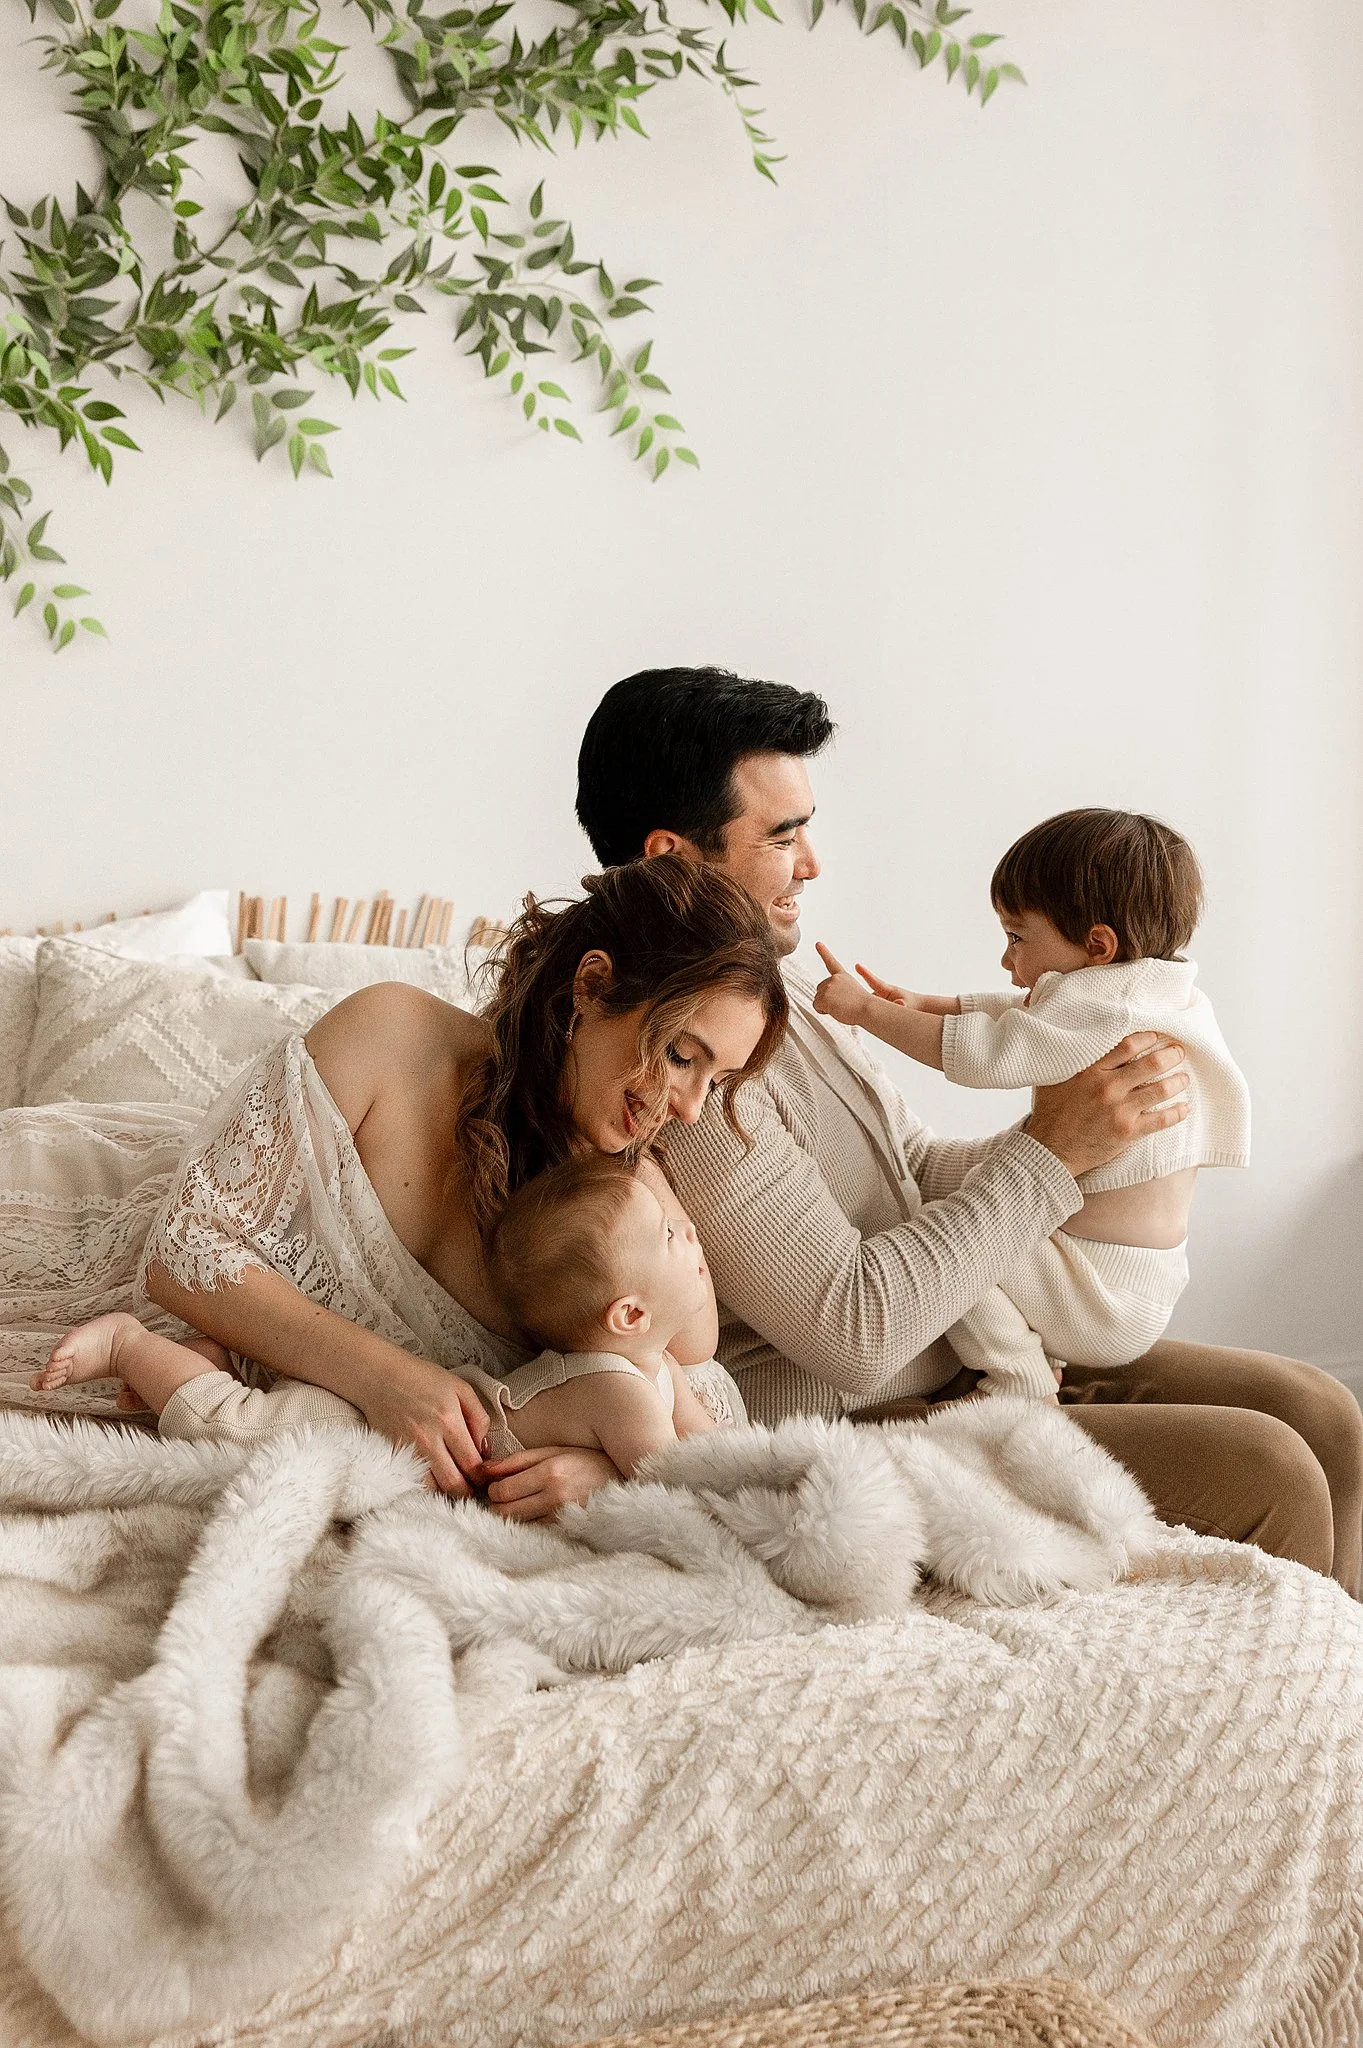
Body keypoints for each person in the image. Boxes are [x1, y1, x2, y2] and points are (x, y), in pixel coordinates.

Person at [575, 666, 1363, 1593]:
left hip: (969, 1344)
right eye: (783, 835)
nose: (813, 863)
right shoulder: (680, 1062)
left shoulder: (776, 993)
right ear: (672, 856)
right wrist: (1049, 1152)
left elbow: (912, 1164)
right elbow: (852, 1332)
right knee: (1266, 1468)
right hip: (868, 1416)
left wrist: (1110, 1145)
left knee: (1322, 1409)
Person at [2, 856, 785, 1517]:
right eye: (681, 1055)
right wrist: (387, 1378)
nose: (687, 1108)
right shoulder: (395, 1033)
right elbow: (184, 1251)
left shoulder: (621, 1195)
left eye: (716, 1080)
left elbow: (691, 1376)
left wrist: (605, 1474)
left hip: (202, 1399)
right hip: (75, 1232)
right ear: (590, 985)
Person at [812, 807, 1250, 1400]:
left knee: (941, 1253)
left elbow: (984, 1053)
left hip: (1094, 1284)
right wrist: (924, 1002)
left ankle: (1020, 1377)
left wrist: (869, 1012)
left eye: (1017, 937)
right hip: (1136, 1277)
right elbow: (1023, 1011)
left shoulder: (1105, 1012)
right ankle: (1038, 1344)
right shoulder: (1160, 994)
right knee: (976, 1238)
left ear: (1098, 945)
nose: (1006, 959)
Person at [481, 1153, 719, 1470]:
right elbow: (677, 1488)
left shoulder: (660, 1362)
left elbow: (718, 1452)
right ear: (631, 1315)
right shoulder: (619, 1391)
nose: (688, 1228)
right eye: (668, 1234)